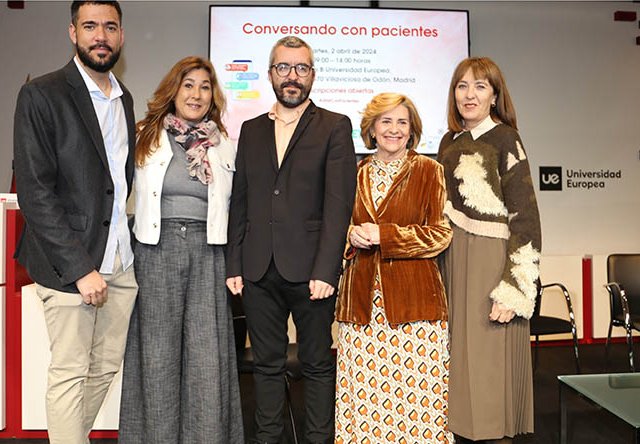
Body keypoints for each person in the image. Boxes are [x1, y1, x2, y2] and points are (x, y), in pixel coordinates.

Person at [12, 2, 137, 443]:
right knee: (70, 372)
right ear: (73, 33)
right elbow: (35, 192)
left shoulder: (124, 99)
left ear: (121, 35)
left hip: (120, 262)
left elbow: (116, 183)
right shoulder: (42, 94)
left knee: (104, 367)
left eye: (110, 27)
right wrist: (80, 268)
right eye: (90, 26)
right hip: (70, 264)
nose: (100, 36)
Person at [226, 35, 357, 444]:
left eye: (301, 68)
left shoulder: (335, 125)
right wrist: (234, 264)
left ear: (312, 75)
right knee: (266, 367)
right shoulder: (250, 130)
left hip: (312, 273)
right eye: (284, 67)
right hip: (258, 269)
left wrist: (327, 270)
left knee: (316, 364)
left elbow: (339, 204)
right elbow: (241, 199)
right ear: (270, 74)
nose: (292, 76)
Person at [117, 56, 243, 444]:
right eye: (188, 85)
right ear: (174, 90)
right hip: (157, 251)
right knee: (157, 356)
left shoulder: (224, 144)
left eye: (205, 86)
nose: (196, 94)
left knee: (206, 356)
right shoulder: (144, 135)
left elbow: (238, 206)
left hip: (208, 252)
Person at [334, 93, 454, 443]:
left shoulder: (429, 170)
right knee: (364, 408)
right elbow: (335, 228)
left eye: (402, 122)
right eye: (385, 121)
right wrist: (349, 235)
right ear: (371, 129)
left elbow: (440, 234)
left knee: (419, 407)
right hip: (361, 309)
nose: (394, 129)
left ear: (412, 130)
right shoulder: (354, 174)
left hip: (415, 308)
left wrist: (385, 235)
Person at [437, 57, 541, 443]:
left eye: (480, 86)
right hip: (451, 259)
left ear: (495, 95)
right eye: (462, 86)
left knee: (488, 367)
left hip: (490, 263)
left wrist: (514, 288)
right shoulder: (448, 142)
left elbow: (526, 219)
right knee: (458, 364)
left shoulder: (505, 138)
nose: (470, 94)